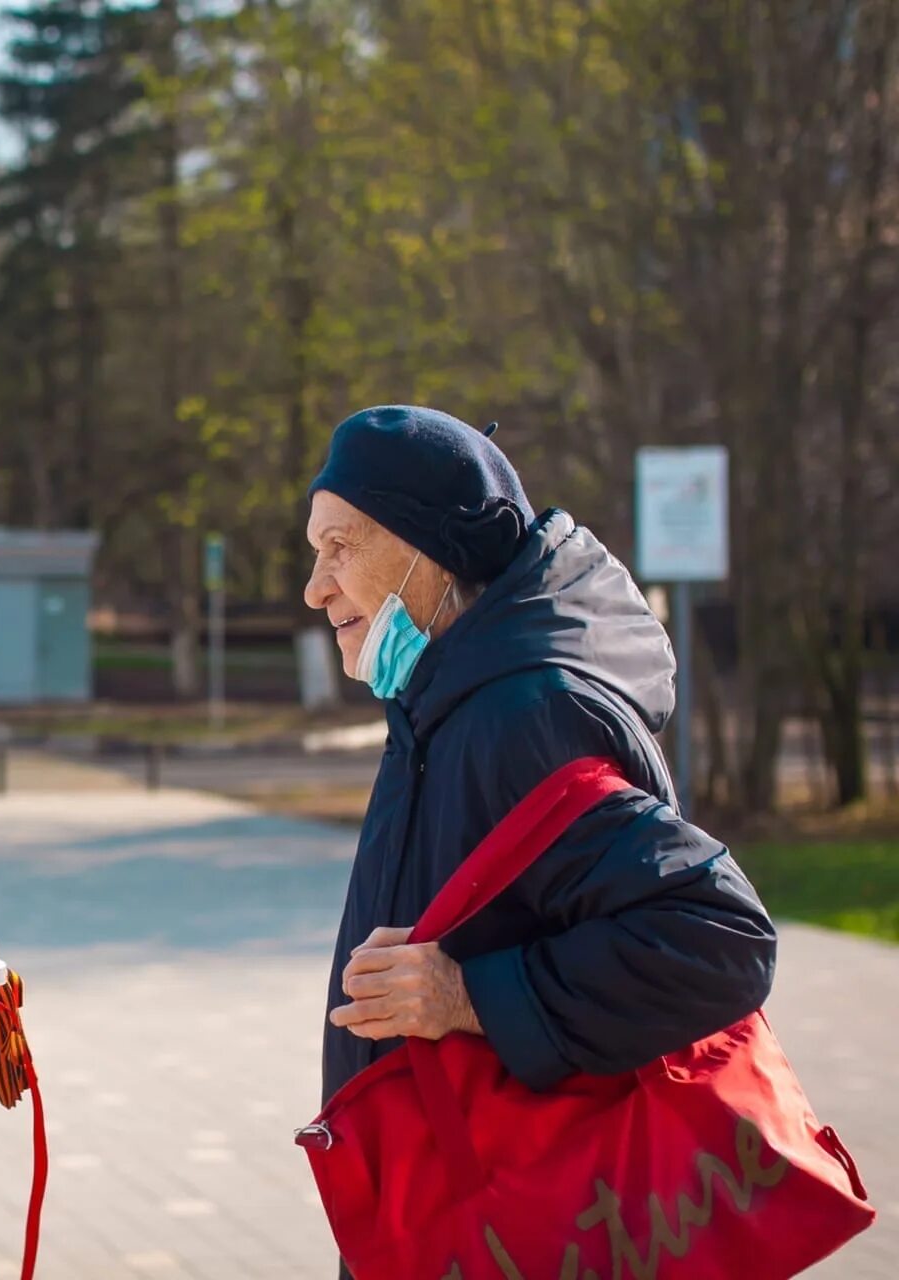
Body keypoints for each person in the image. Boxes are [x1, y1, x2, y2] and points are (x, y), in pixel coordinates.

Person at [302, 406, 777, 1269]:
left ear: (431, 549)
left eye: (342, 546)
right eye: (315, 550)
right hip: (461, 1207)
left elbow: (719, 941)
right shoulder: (441, 702)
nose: (315, 586)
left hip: (528, 1219)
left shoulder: (529, 714)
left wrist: (466, 997)